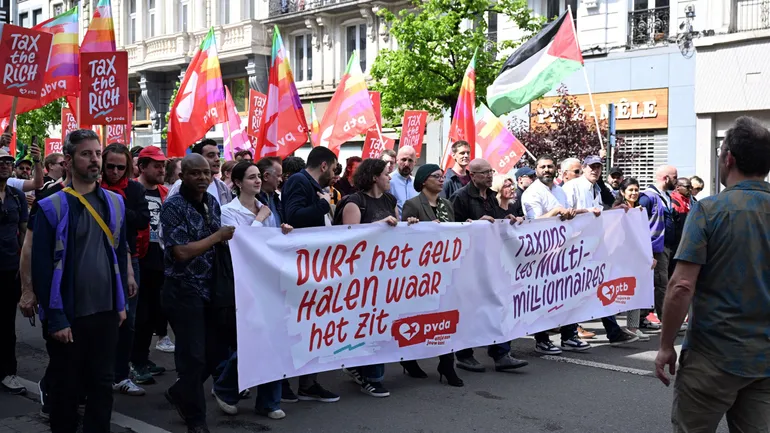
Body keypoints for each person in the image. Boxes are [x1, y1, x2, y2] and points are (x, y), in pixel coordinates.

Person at [655, 116, 770, 432]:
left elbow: (680, 286)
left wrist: (665, 346)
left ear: (728, 158)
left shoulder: (708, 210)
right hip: (764, 362)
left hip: (712, 357)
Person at [32, 129, 128, 433]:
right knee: (66, 390)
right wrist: (56, 318)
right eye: (87, 154)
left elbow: (119, 255)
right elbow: (42, 267)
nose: (95, 160)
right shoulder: (51, 206)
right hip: (70, 316)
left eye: (97, 153)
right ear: (69, 161)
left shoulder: (115, 203)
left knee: (102, 386)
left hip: (106, 313)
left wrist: (121, 303)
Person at [160, 153, 235, 433]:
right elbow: (180, 252)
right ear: (182, 177)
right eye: (195, 173)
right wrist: (217, 237)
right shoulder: (173, 207)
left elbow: (222, 239)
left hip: (211, 289)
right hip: (183, 289)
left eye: (207, 173)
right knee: (192, 358)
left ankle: (182, 391)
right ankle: (196, 419)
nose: (203, 178)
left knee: (217, 350)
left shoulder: (213, 202)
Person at [214, 161, 291, 419]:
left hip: (270, 282)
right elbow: (239, 244)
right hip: (244, 283)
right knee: (253, 340)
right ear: (236, 182)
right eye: (251, 178)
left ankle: (269, 401)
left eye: (259, 177)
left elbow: (271, 245)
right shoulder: (227, 211)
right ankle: (226, 388)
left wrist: (283, 232)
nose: (257, 181)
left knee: (276, 338)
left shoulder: (267, 209)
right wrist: (259, 221)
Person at [337, 158, 413, 398]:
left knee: (380, 323)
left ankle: (363, 369)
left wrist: (407, 225)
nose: (390, 178)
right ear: (373, 177)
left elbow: (395, 230)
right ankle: (371, 376)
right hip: (360, 276)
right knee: (368, 324)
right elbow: (350, 238)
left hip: (384, 273)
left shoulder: (391, 200)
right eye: (386, 174)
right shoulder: (354, 202)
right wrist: (379, 224)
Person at [452, 158, 529, 372]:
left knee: (500, 305)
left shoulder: (491, 199)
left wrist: (509, 219)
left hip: (492, 261)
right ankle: (464, 355)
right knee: (471, 310)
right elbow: (452, 229)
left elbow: (496, 224)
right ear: (472, 175)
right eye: (484, 172)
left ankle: (501, 353)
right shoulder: (460, 197)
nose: (489, 175)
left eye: (490, 171)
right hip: (470, 264)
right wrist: (474, 225)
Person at [280, 146, 340, 403]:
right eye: (335, 169)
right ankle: (281, 383)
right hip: (301, 266)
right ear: (324, 165)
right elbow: (293, 217)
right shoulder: (298, 181)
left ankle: (308, 383)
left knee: (313, 327)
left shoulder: (314, 185)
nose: (336, 175)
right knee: (294, 326)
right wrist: (322, 205)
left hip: (315, 265)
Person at [521, 154, 592, 355]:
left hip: (564, 250)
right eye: (542, 167)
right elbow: (534, 223)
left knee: (568, 294)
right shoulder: (532, 192)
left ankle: (569, 336)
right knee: (543, 298)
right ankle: (542, 340)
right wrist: (556, 212)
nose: (546, 170)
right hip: (542, 253)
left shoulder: (560, 191)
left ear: (555, 169)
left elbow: (568, 214)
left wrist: (586, 212)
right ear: (536, 170)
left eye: (550, 166)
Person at [401, 163, 463, 387]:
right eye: (436, 176)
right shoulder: (412, 204)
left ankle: (447, 363)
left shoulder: (447, 203)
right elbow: (406, 240)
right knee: (418, 317)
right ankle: (409, 359)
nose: (441, 180)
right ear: (424, 180)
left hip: (446, 269)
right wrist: (417, 227)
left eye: (442, 176)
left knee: (446, 316)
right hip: (422, 274)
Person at [101, 143, 151, 395]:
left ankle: (121, 373)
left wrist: (118, 205)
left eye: (121, 167)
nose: (115, 171)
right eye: (110, 166)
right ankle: (100, 373)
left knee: (127, 319)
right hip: (96, 257)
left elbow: (143, 219)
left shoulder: (133, 189)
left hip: (127, 257)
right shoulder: (94, 185)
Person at [132, 146, 175, 390]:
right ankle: (133, 361)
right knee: (140, 313)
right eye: (156, 165)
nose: (162, 169)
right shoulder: (132, 190)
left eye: (163, 165)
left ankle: (142, 358)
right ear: (143, 167)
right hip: (139, 257)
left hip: (160, 259)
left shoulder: (164, 192)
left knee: (153, 313)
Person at [0, 149, 28, 395]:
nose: (5, 165)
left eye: (9, 161)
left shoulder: (17, 196)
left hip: (10, 269)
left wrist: (25, 269)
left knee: (7, 323)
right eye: (1, 161)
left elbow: (25, 235)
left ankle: (9, 372)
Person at [612, 178, 652, 342]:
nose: (634, 193)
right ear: (623, 192)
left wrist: (648, 256)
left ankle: (633, 327)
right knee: (617, 293)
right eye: (630, 190)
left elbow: (643, 236)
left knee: (635, 291)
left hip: (636, 258)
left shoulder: (640, 211)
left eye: (636, 190)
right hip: (621, 257)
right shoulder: (617, 209)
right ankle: (613, 328)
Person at [638, 164, 678, 324]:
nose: (677, 180)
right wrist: (647, 249)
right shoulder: (648, 197)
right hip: (654, 248)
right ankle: (666, 320)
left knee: (658, 283)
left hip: (666, 247)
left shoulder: (666, 196)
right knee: (661, 284)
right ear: (666, 178)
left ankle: (642, 318)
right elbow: (640, 222)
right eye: (675, 177)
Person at [168, 139, 233, 206]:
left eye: (218, 155)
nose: (217, 159)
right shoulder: (179, 186)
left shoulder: (222, 187)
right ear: (198, 158)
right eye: (211, 155)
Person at [390, 146, 419, 213]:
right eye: (403, 159)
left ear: (415, 162)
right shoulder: (388, 181)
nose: (406, 164)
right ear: (397, 160)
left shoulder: (417, 183)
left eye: (410, 160)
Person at [256, 157, 284, 228]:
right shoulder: (253, 200)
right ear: (266, 176)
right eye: (278, 176)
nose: (281, 180)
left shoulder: (275, 198)